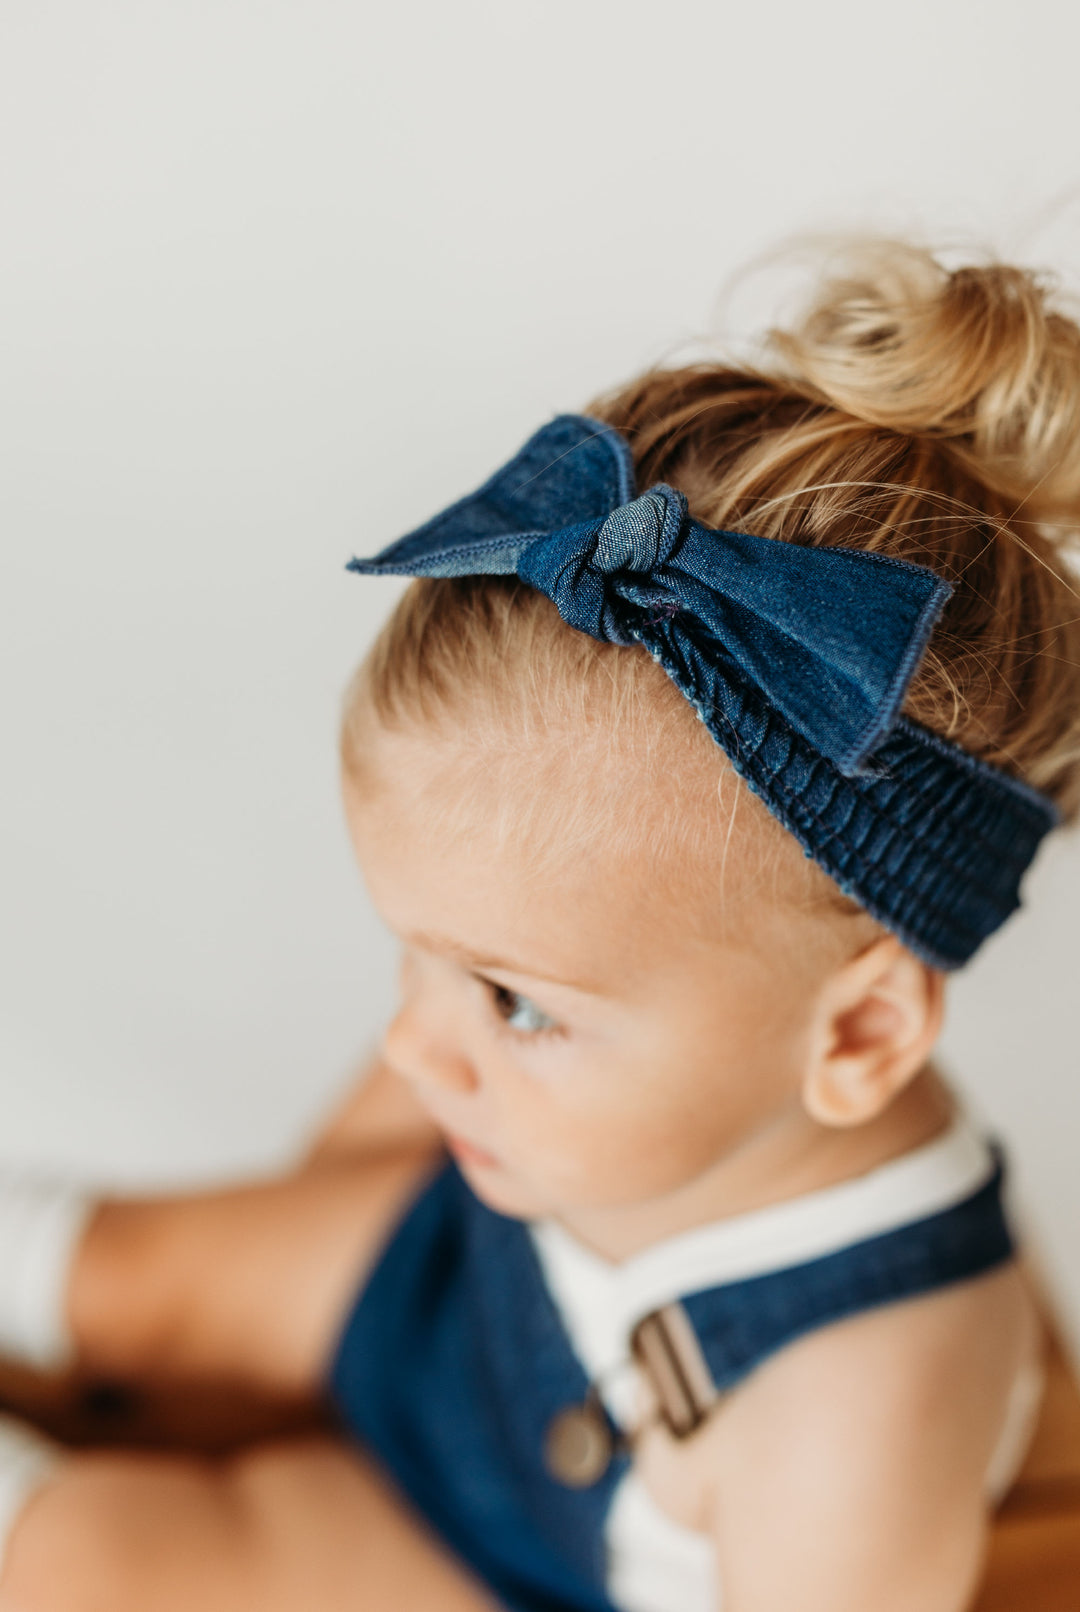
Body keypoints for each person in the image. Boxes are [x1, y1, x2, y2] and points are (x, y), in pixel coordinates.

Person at [0, 240, 1077, 1612]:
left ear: (860, 1029)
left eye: (511, 999)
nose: (407, 1044)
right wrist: (484, 1033)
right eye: (416, 957)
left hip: (514, 1552)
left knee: (109, 1560)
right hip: (454, 1276)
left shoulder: (862, 1397)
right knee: (140, 1281)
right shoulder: (610, 1077)